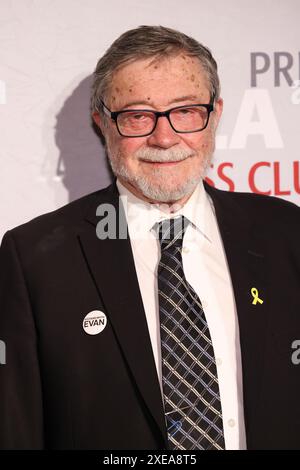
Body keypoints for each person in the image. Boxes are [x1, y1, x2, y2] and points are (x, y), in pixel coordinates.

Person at [0, 25, 299, 451]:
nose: (163, 137)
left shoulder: (287, 234)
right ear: (102, 124)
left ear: (214, 115)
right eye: (138, 115)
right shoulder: (35, 259)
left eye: (185, 111)